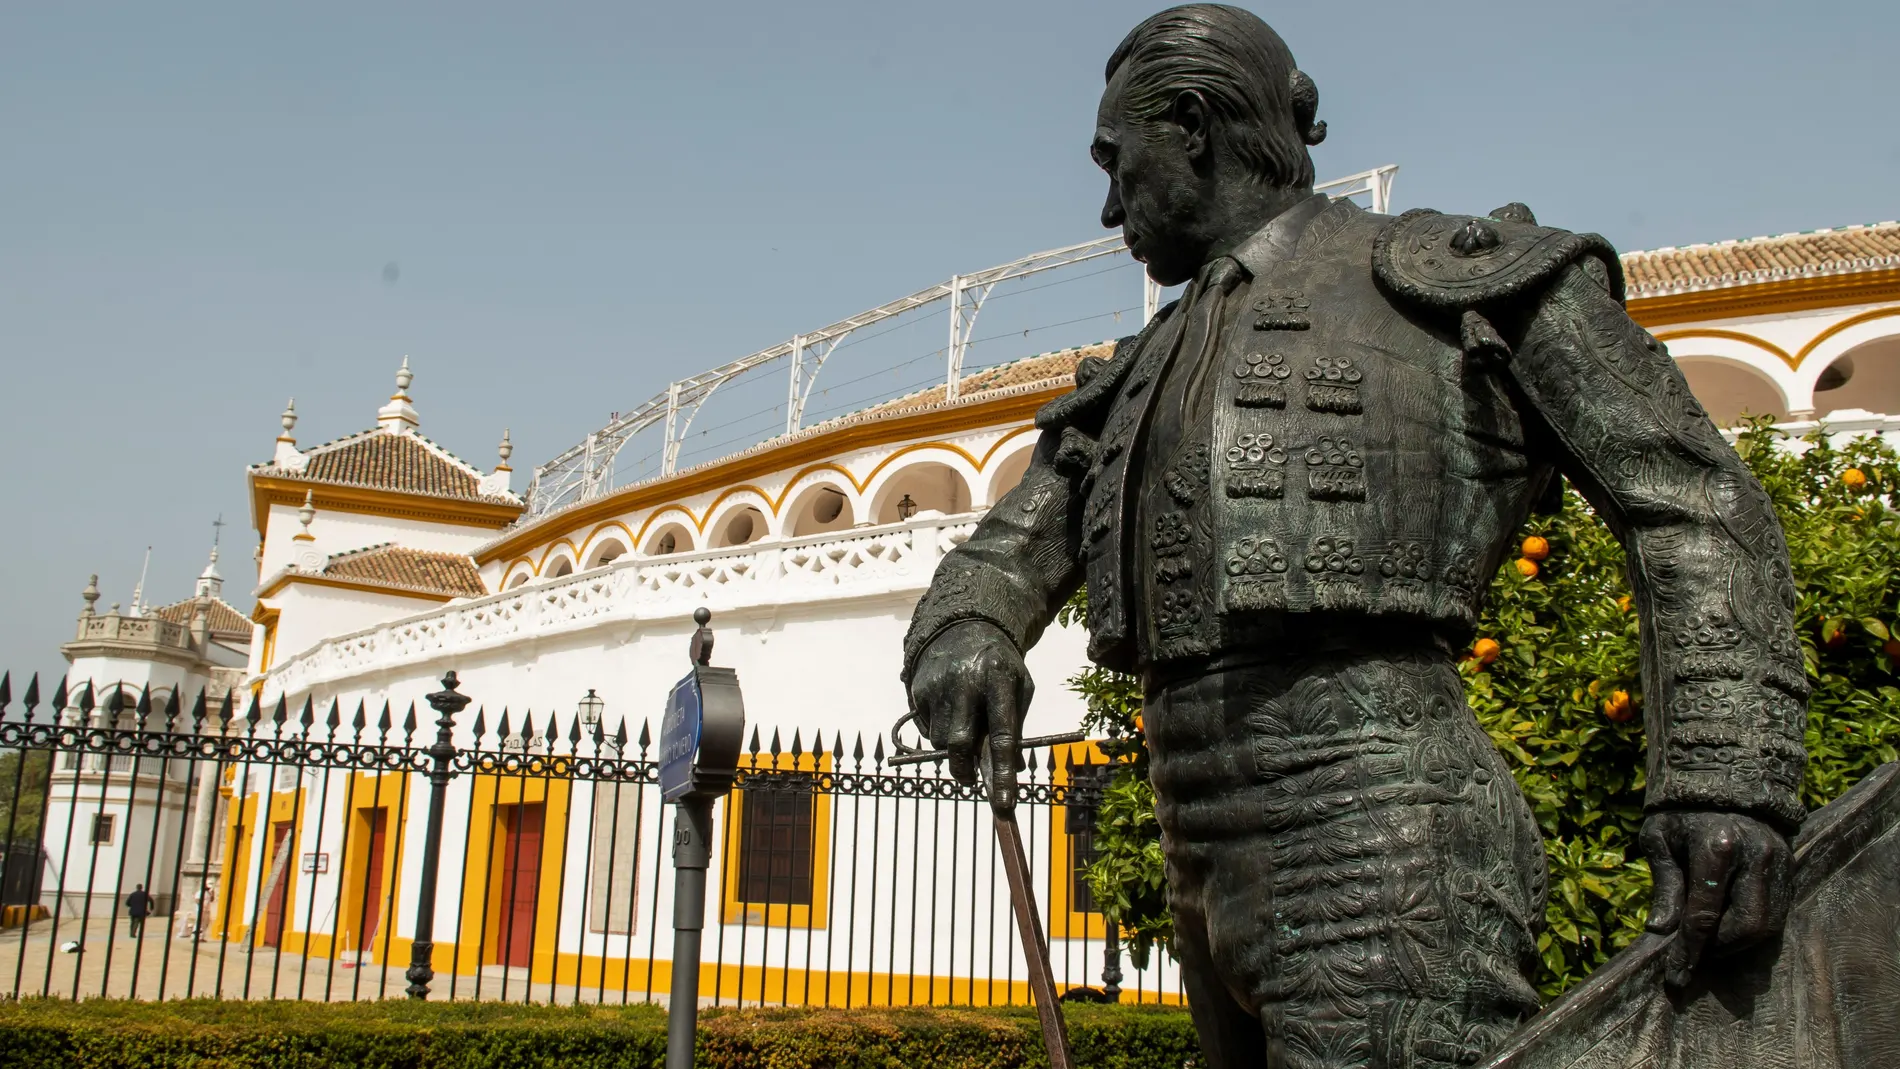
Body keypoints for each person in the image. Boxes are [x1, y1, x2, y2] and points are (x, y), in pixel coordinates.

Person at [900, 6, 1805, 1067]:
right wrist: (967, 629)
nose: (1109, 207)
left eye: (1117, 161)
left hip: (1383, 830)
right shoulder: (1138, 368)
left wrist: (1721, 774)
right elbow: (1003, 556)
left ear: (1189, 125)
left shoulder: (1444, 282)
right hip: (1193, 843)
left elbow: (1689, 500)